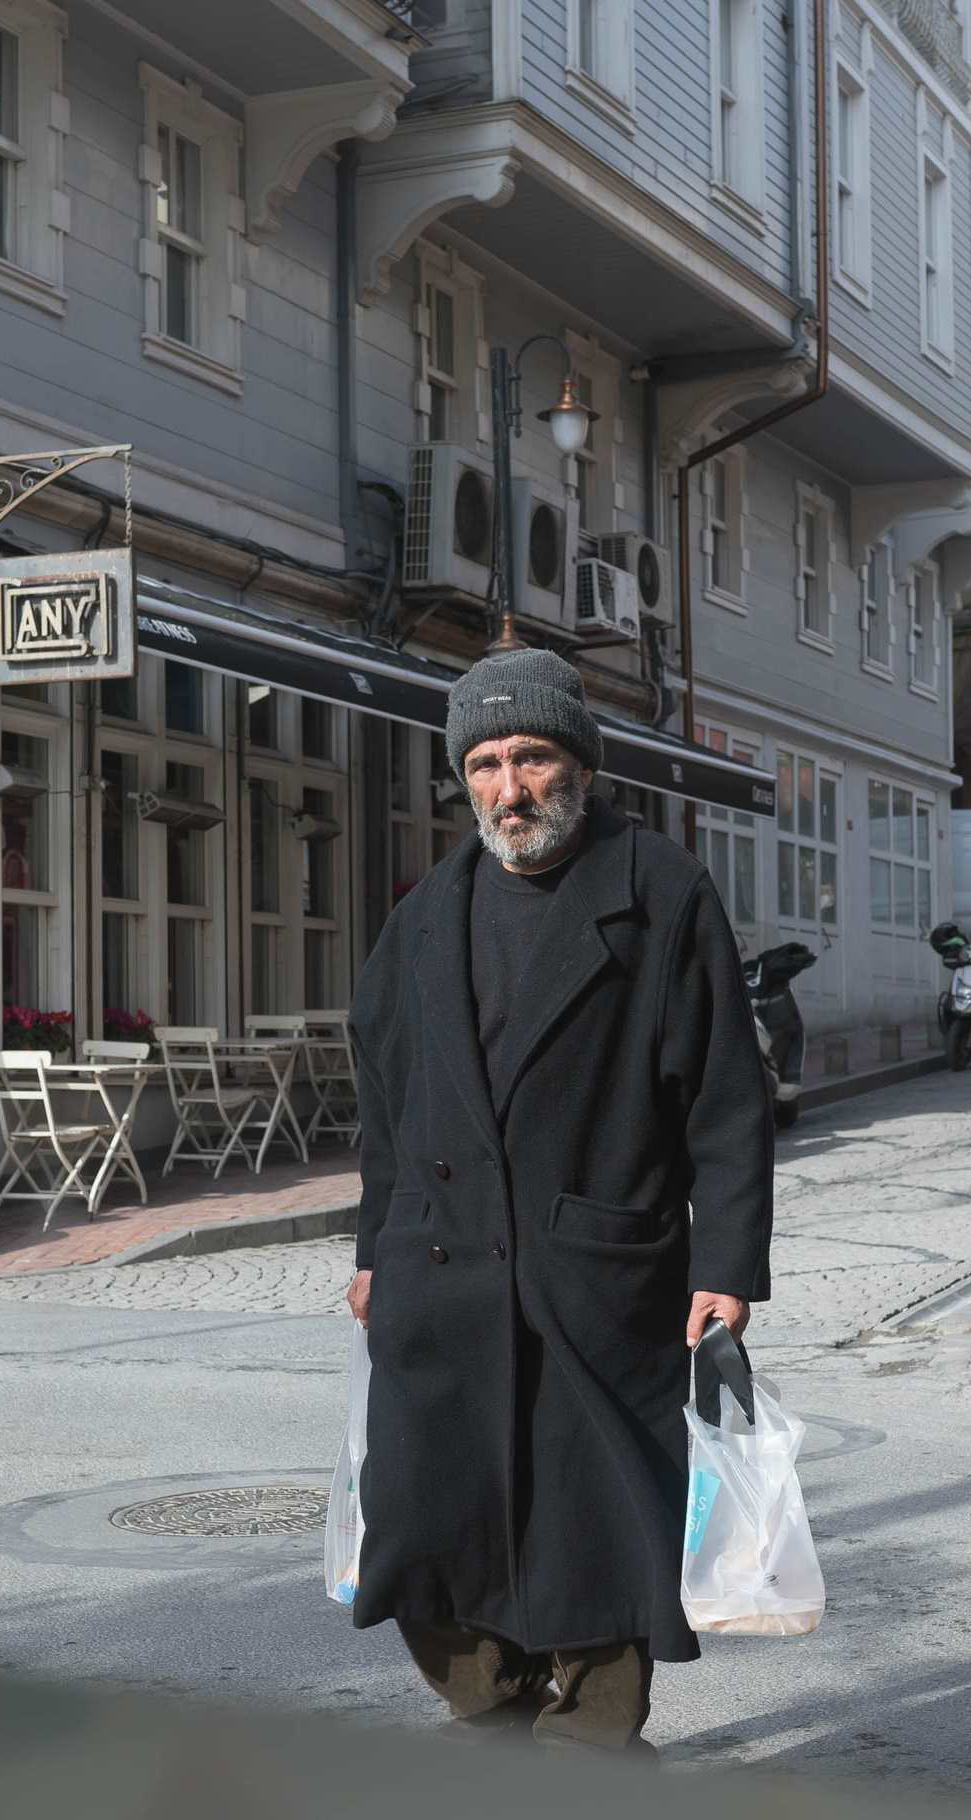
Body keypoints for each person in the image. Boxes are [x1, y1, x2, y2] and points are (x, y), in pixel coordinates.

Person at [342, 648, 773, 1755]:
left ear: (578, 759)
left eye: (529, 754)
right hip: (440, 1269)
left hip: (598, 1267)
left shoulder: (658, 890)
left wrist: (723, 1263)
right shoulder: (427, 911)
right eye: (484, 762)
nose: (508, 785)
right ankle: (486, 1702)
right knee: (425, 1509)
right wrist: (372, 1246)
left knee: (598, 1517)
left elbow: (724, 1099)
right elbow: (385, 1102)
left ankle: (591, 1739)